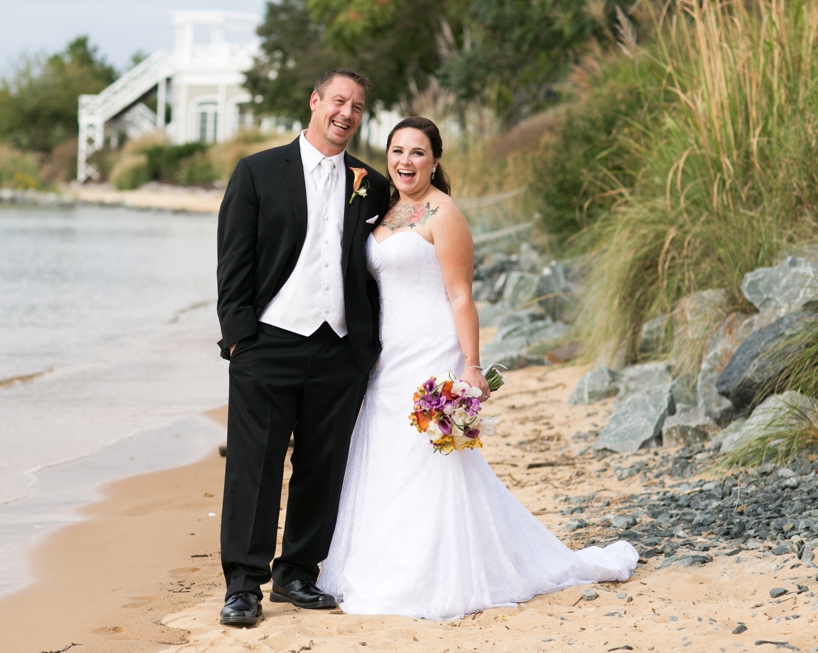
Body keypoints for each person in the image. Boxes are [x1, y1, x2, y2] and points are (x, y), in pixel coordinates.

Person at [317, 116, 639, 620]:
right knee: (386, 456)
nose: (405, 161)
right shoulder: (388, 209)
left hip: (432, 351)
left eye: (417, 153)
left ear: (435, 160)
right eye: (397, 151)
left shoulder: (444, 214)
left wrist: (470, 365)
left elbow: (461, 295)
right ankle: (380, 563)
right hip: (389, 356)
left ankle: (430, 574)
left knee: (431, 458)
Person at [215, 69, 390, 627]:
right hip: (267, 343)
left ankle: (297, 573)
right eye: (338, 101)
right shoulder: (259, 172)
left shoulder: (372, 183)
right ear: (315, 102)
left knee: (322, 464)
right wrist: (241, 339)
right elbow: (232, 263)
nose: (347, 113)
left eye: (357, 106)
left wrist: (365, 347)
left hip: (338, 349)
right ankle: (244, 584)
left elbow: (380, 267)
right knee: (254, 466)